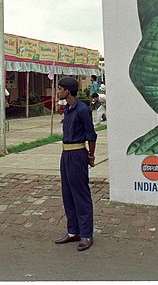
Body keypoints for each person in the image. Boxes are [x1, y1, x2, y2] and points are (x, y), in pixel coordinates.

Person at [53, 77, 96, 252]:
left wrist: (91, 155)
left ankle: (86, 234)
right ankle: (73, 231)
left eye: (60, 88)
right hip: (66, 154)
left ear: (68, 91)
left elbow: (91, 135)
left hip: (78, 154)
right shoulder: (68, 109)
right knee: (68, 193)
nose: (58, 91)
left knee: (80, 194)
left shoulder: (82, 110)